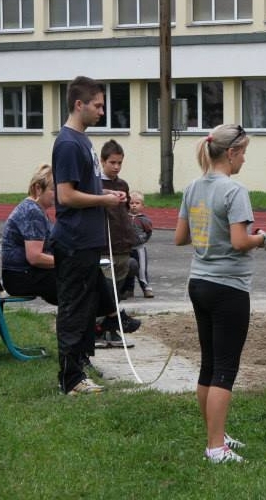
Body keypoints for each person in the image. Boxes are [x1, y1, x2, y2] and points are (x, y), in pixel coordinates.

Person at [174, 123, 266, 464]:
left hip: (198, 283)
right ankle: (216, 448)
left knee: (209, 364)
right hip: (228, 287)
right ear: (230, 153)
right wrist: (262, 238)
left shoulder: (192, 187)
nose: (244, 160)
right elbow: (240, 242)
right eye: (243, 153)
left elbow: (180, 237)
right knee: (225, 368)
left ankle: (215, 434)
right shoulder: (234, 191)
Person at [51, 75, 129, 396]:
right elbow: (66, 196)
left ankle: (80, 367)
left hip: (88, 241)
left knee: (86, 308)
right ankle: (69, 379)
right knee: (73, 308)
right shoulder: (69, 143)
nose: (101, 111)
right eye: (97, 105)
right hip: (73, 241)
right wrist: (104, 200)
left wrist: (108, 197)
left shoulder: (84, 140)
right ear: (78, 104)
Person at [97, 138, 143, 343]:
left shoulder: (123, 184)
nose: (116, 167)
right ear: (102, 161)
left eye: (119, 163)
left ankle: (111, 328)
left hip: (122, 245)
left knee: (117, 288)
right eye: (112, 162)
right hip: (104, 247)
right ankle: (98, 328)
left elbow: (124, 214)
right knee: (104, 290)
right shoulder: (95, 184)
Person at [1, 163, 57, 305]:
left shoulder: (35, 208)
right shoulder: (33, 212)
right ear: (38, 188)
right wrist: (66, 261)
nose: (58, 195)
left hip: (20, 274)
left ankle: (106, 316)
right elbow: (35, 257)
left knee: (81, 279)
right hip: (20, 277)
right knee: (76, 285)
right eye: (53, 190)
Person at [128, 190, 154, 298]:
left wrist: (142, 240)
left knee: (141, 269)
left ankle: (146, 288)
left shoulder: (144, 220)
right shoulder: (124, 217)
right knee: (127, 268)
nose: (134, 205)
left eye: (137, 203)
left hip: (139, 248)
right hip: (126, 248)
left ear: (142, 205)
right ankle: (128, 289)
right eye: (131, 203)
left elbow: (148, 232)